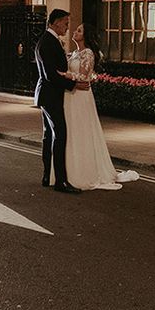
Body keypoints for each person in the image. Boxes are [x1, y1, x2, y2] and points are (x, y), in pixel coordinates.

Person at [60, 23, 139, 190]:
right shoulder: (74, 53)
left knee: (82, 130)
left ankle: (86, 171)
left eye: (79, 30)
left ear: (85, 36)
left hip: (81, 97)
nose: (75, 31)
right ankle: (72, 168)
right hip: (71, 96)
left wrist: (65, 74)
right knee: (72, 131)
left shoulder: (88, 53)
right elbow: (86, 76)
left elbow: (84, 75)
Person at [34, 8, 89, 194]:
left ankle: (47, 176)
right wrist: (73, 85)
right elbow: (51, 75)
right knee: (60, 135)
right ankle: (61, 181)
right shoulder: (48, 42)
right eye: (65, 23)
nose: (67, 26)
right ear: (56, 22)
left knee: (48, 135)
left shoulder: (48, 40)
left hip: (47, 95)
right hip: (50, 95)